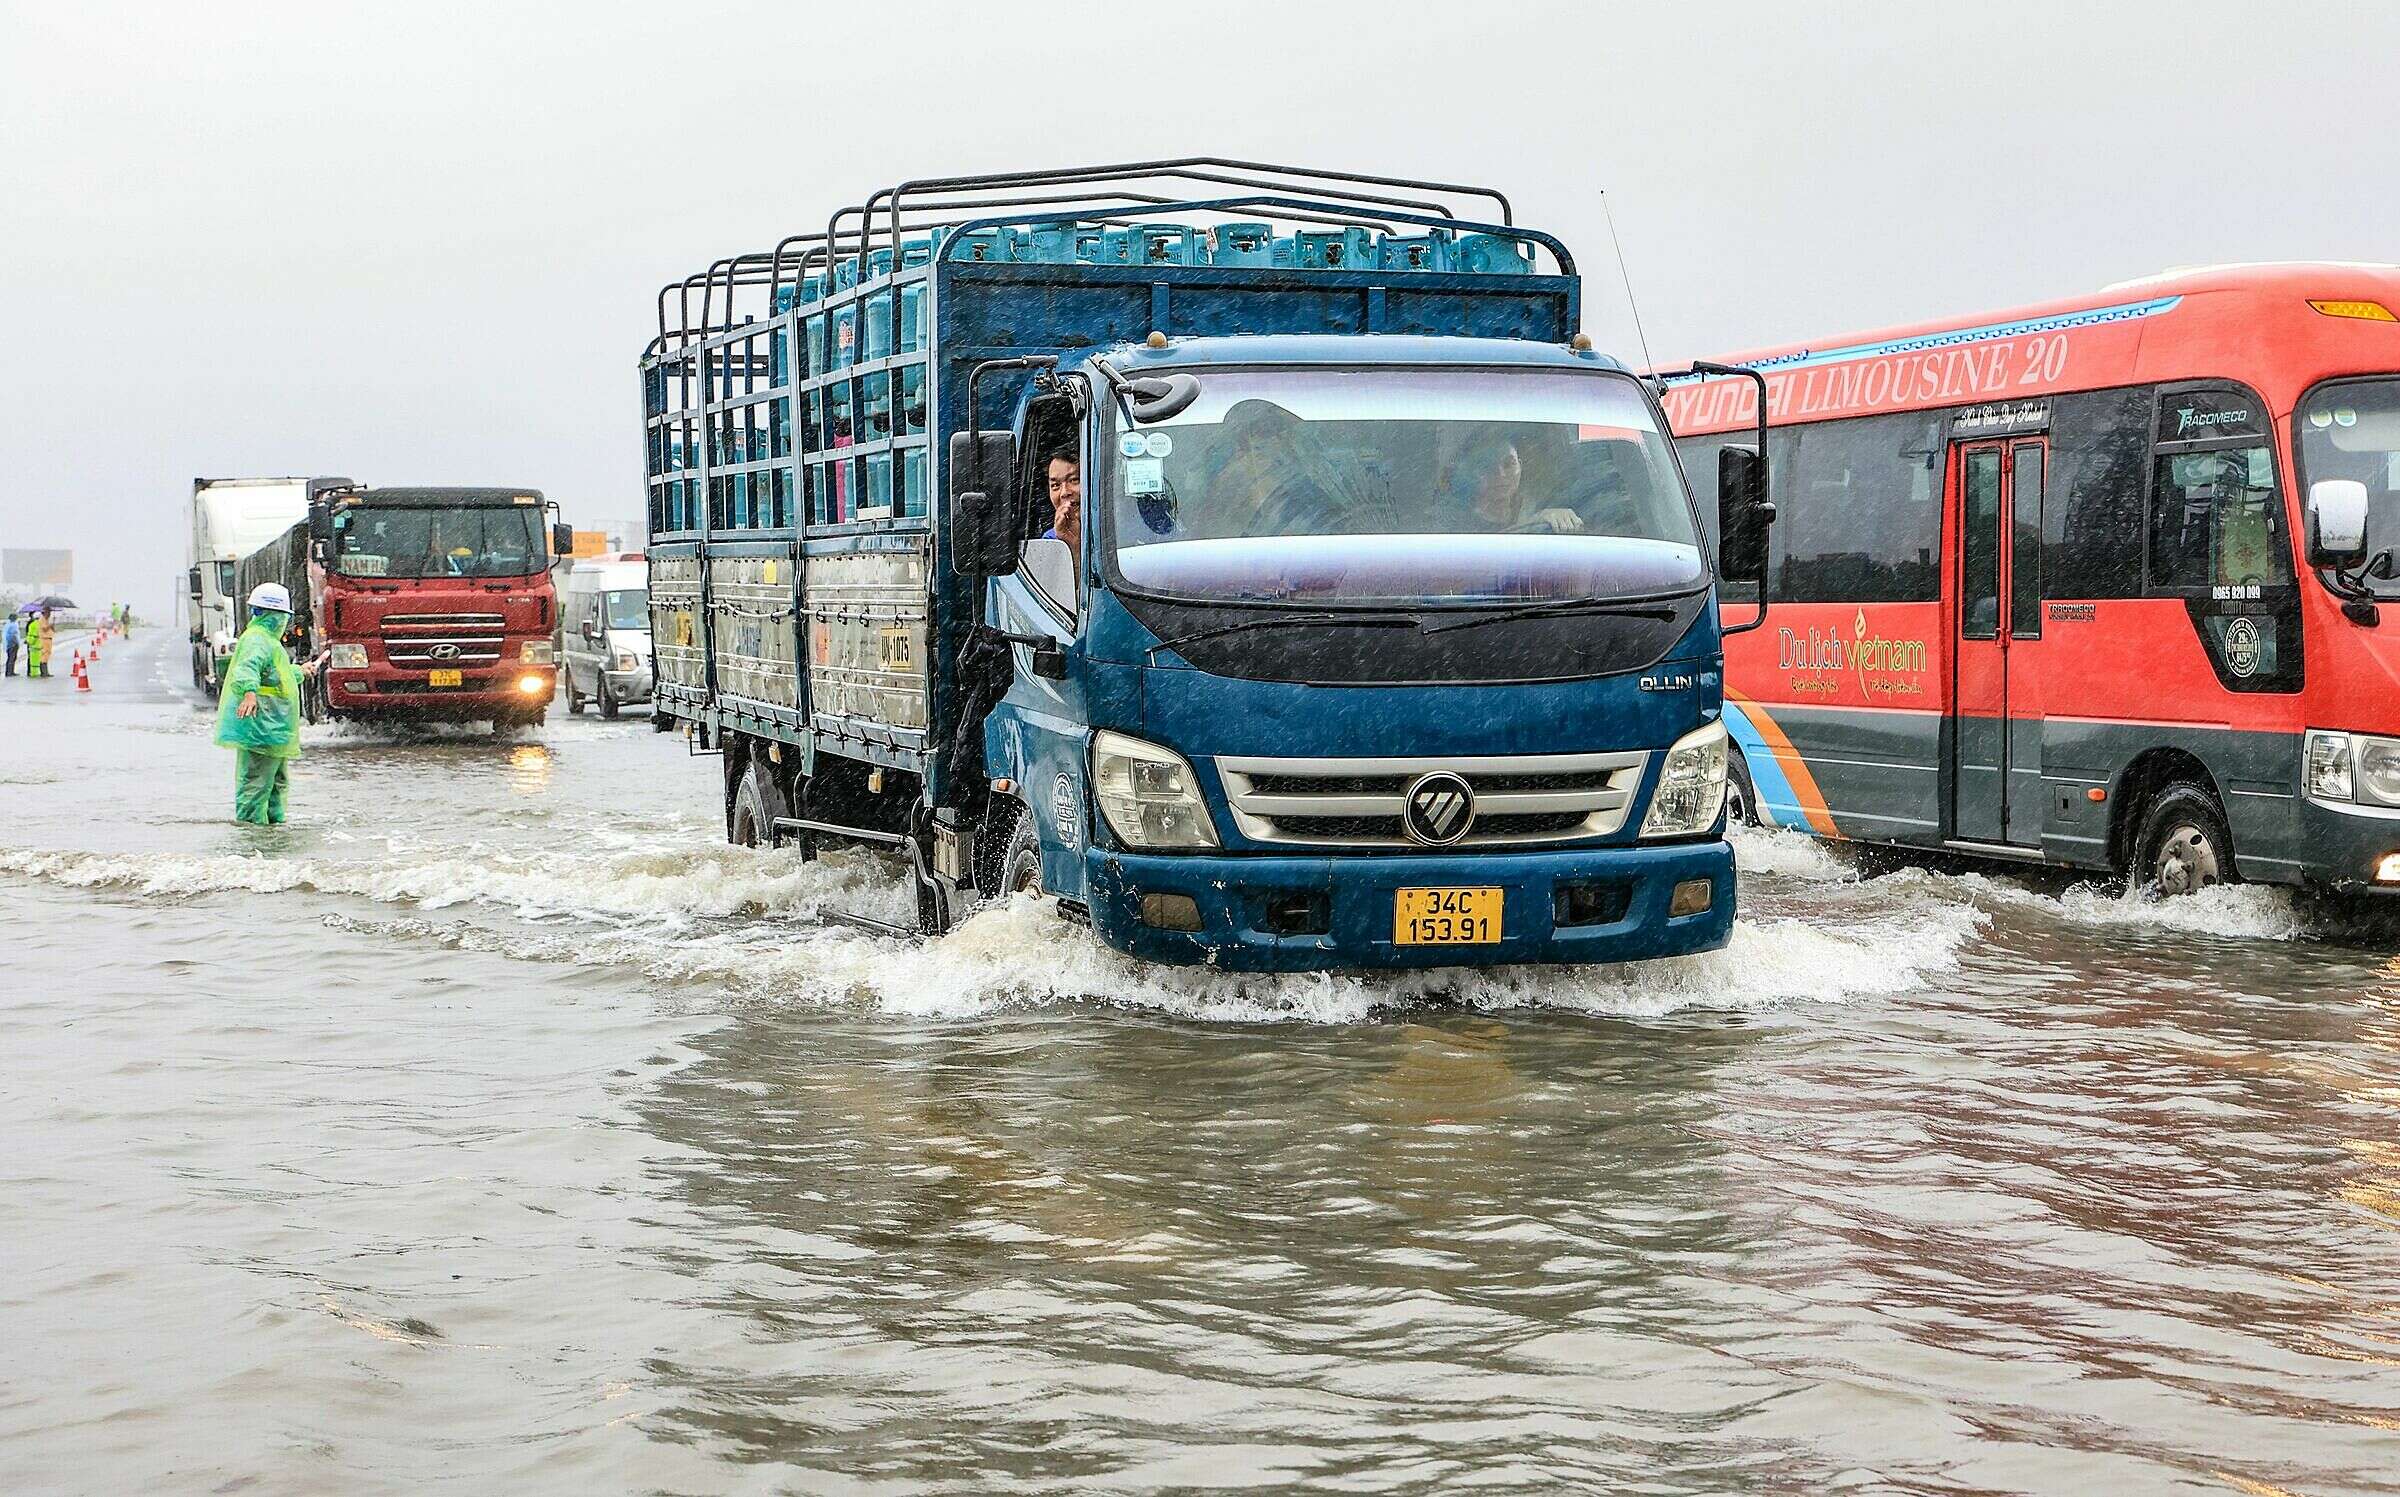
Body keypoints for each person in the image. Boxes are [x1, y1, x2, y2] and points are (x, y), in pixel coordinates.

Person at [214, 583, 322, 826]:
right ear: (275, 615)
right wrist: (249, 694)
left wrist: (300, 671)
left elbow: (275, 677)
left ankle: (273, 830)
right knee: (256, 782)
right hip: (261, 726)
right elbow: (247, 669)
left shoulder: (270, 642)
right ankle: (251, 834)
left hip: (274, 729)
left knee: (276, 782)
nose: (284, 621)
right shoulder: (256, 640)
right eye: (283, 616)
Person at [1442, 431, 1585, 534]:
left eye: (1509, 464)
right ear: (1473, 472)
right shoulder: (1455, 516)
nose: (1501, 475)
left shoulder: (1541, 502)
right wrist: (1535, 523)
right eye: (1488, 466)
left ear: (1520, 466)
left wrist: (1565, 519)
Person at [1041, 450, 1081, 558]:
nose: (1064, 492)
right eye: (1055, 485)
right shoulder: (1051, 540)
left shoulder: (1115, 529)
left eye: (1073, 480)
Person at [24, 606, 47, 679]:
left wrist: (28, 641)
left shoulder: (33, 625)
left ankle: (34, 673)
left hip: (34, 646)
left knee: (33, 661)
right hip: (42, 644)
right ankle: (43, 672)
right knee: (42, 660)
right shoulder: (43, 623)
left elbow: (32, 636)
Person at [3, 611, 19, 678]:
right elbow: (13, 635)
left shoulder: (7, 624)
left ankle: (9, 671)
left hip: (8, 644)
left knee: (10, 658)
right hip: (12, 644)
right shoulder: (13, 625)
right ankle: (10, 672)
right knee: (12, 658)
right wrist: (16, 643)